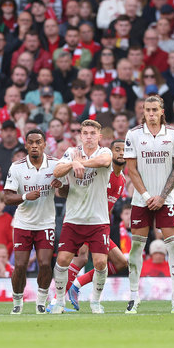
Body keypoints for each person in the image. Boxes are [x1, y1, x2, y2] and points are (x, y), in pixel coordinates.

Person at [123, 96, 174, 314]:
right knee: (137, 246)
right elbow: (131, 170)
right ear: (143, 111)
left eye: (154, 109)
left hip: (166, 199)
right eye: (147, 109)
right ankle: (133, 296)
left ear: (162, 111)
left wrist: (161, 196)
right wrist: (148, 195)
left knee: (173, 245)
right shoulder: (133, 135)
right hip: (141, 200)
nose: (150, 113)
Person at [51, 119, 112, 314]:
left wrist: (79, 162)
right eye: (85, 133)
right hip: (74, 219)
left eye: (92, 133)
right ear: (80, 135)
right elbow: (56, 171)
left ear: (99, 136)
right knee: (62, 260)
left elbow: (104, 162)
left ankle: (95, 301)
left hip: (98, 220)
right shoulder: (70, 152)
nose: (88, 136)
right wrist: (72, 163)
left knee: (101, 262)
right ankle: (60, 301)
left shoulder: (105, 152)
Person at [4, 128, 63, 314]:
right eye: (31, 142)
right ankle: (17, 301)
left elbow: (68, 192)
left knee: (45, 264)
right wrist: (25, 197)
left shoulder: (56, 165)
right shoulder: (17, 167)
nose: (35, 146)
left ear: (45, 145)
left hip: (46, 223)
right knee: (20, 265)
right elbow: (7, 197)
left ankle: (40, 300)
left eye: (38, 142)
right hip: (23, 223)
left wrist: (61, 186)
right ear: (26, 145)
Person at [67, 139, 128, 310]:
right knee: (81, 257)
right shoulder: (103, 172)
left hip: (100, 224)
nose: (121, 153)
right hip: (85, 219)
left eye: (125, 150)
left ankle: (75, 285)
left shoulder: (122, 180)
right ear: (110, 153)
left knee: (121, 262)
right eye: (117, 150)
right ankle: (57, 299)